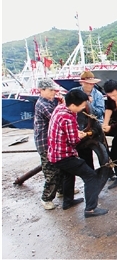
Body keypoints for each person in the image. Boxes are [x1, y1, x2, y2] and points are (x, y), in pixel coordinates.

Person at [48, 89, 108, 218]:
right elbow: (74, 141)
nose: (83, 108)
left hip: (54, 153)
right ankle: (90, 209)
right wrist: (84, 134)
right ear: (74, 105)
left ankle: (68, 201)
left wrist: (76, 132)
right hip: (64, 155)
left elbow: (69, 133)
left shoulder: (60, 108)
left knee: (68, 174)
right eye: (82, 106)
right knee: (91, 176)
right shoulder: (68, 118)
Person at [34, 78, 63, 209]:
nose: (53, 93)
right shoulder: (43, 105)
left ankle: (61, 190)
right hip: (45, 143)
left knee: (60, 166)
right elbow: (56, 117)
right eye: (51, 90)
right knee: (51, 171)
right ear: (42, 90)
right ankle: (46, 198)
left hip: (53, 141)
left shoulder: (51, 102)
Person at [72, 70, 105, 169]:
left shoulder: (98, 95)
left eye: (92, 83)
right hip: (80, 126)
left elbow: (100, 112)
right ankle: (90, 171)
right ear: (81, 82)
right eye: (87, 83)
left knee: (103, 151)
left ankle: (108, 171)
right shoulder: (74, 93)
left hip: (95, 125)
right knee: (84, 151)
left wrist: (89, 105)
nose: (90, 85)